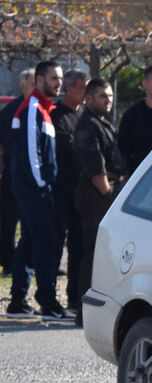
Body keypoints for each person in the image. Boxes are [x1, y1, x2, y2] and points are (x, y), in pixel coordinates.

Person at [6, 61, 67, 320]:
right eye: (54, 78)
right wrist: (42, 185)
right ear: (40, 80)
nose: (58, 83)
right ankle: (47, 300)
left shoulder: (42, 108)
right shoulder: (33, 107)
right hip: (34, 186)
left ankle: (18, 301)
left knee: (30, 241)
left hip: (32, 185)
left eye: (60, 78)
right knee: (43, 242)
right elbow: (33, 152)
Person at [73, 78, 125, 327]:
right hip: (96, 197)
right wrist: (110, 196)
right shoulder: (87, 126)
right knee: (93, 254)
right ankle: (84, 312)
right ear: (89, 98)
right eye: (103, 96)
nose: (108, 100)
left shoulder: (103, 122)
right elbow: (95, 169)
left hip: (107, 192)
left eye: (110, 96)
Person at [51, 69, 89, 315]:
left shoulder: (85, 115)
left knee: (79, 246)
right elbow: (65, 148)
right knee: (54, 244)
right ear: (69, 88)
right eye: (82, 88)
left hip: (82, 193)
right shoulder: (55, 116)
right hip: (60, 190)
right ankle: (47, 295)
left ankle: (74, 296)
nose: (86, 93)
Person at [0, 68, 34, 276]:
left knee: (33, 221)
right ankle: (8, 260)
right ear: (22, 85)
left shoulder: (41, 108)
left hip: (35, 174)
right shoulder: (11, 110)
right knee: (9, 220)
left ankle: (31, 260)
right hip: (14, 171)